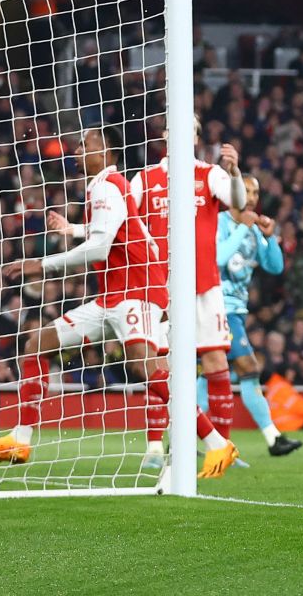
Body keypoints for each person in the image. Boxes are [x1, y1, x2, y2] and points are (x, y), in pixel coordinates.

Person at [0, 127, 239, 479]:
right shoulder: (113, 187)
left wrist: (39, 265)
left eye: (90, 144)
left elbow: (100, 248)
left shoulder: (106, 184)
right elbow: (119, 230)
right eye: (82, 143)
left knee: (147, 370)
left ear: (107, 153)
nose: (80, 148)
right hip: (111, 297)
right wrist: (73, 230)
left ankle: (215, 442)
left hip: (138, 293)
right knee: (38, 343)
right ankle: (20, 439)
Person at [130, 122, 247, 450]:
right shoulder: (146, 178)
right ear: (166, 135)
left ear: (195, 137)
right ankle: (154, 447)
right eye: (176, 129)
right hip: (160, 291)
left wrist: (235, 172)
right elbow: (124, 218)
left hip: (204, 287)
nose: (183, 134)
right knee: (158, 366)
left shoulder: (209, 174)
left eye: (192, 130)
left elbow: (237, 201)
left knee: (215, 363)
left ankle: (222, 447)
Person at [203, 173, 303, 456]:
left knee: (205, 374)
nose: (251, 198)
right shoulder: (219, 222)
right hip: (216, 307)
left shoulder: (254, 228)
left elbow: (275, 267)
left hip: (235, 309)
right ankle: (272, 438)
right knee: (248, 368)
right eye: (245, 191)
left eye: (256, 193)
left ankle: (191, 444)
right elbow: (218, 258)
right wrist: (242, 229)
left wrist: (270, 239)